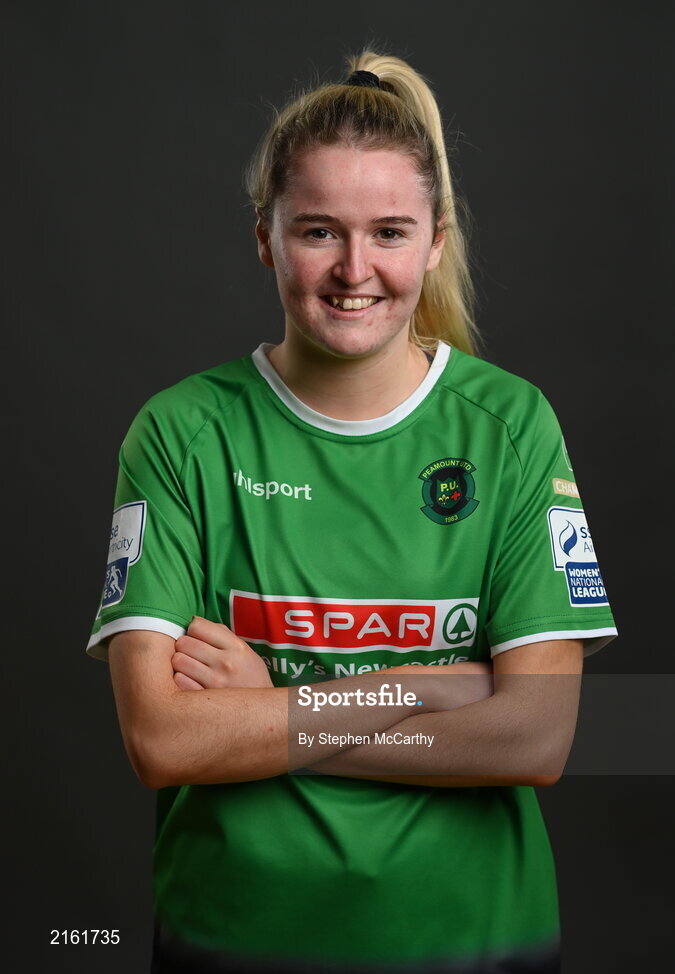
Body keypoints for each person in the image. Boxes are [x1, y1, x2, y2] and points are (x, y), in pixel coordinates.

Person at [87, 51, 618, 974]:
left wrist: (273, 714)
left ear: (435, 242)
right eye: (318, 231)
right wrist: (422, 686)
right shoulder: (180, 433)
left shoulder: (509, 427)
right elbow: (162, 740)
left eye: (389, 232)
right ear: (265, 237)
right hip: (232, 941)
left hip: (475, 942)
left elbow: (536, 735)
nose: (354, 269)